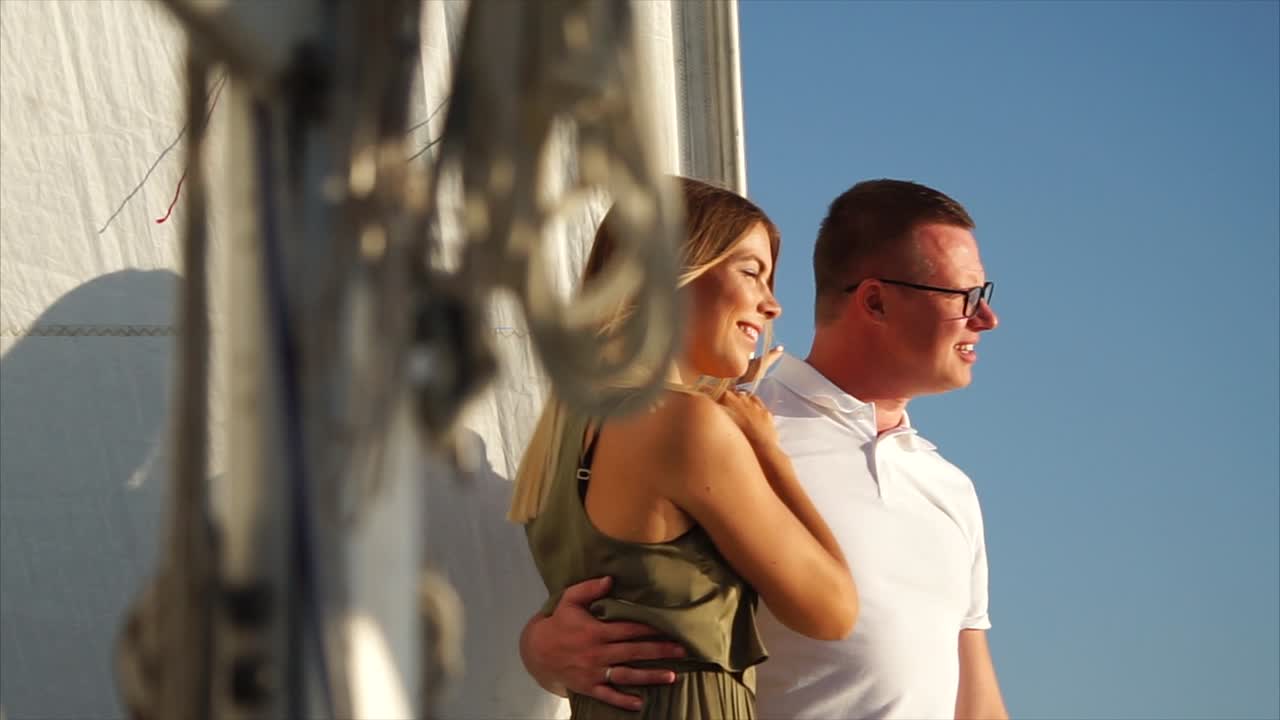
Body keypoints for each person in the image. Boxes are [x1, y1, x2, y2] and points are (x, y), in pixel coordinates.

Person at [519, 179, 1009, 720]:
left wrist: (538, 647)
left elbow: (975, 697)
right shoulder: (732, 419)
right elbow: (618, 580)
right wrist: (542, 646)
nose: (986, 319)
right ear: (874, 299)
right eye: (965, 297)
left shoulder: (950, 488)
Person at [509, 176, 858, 719]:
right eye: (751, 273)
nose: (773, 307)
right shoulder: (686, 425)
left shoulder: (564, 431)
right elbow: (832, 610)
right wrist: (770, 455)